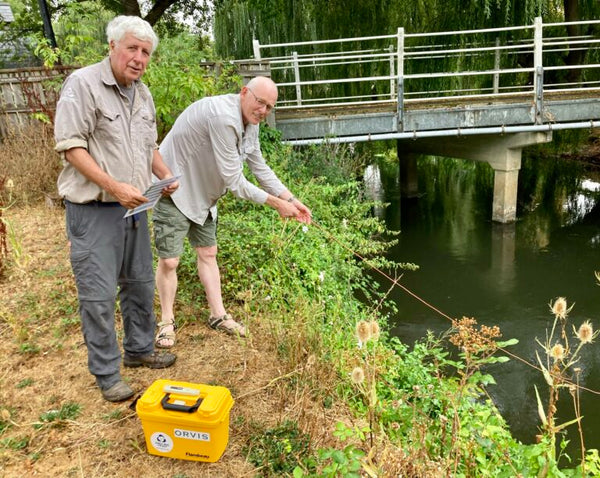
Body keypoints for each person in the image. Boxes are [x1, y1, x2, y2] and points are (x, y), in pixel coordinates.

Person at [54, 15, 179, 402]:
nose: (139, 58)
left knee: (140, 283)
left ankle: (140, 350)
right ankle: (107, 373)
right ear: (112, 46)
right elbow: (71, 146)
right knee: (98, 294)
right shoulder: (83, 85)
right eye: (132, 48)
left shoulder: (142, 94)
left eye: (145, 52)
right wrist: (113, 186)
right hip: (94, 210)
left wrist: (166, 175)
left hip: (135, 208)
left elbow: (149, 146)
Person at [153, 76, 311, 348]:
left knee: (208, 253)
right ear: (244, 93)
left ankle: (218, 315)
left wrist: (291, 199)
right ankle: (166, 321)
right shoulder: (223, 117)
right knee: (170, 261)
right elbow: (235, 182)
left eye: (269, 107)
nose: (263, 111)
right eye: (260, 102)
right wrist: (277, 205)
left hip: (205, 193)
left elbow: (259, 166)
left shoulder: (252, 122)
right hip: (175, 188)